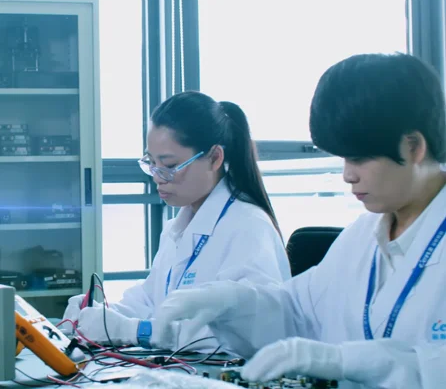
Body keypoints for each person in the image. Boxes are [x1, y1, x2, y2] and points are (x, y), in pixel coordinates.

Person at [152, 53, 446, 388]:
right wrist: (231, 304)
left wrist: (346, 360)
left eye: (359, 158)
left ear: (413, 146)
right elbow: (296, 311)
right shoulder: (362, 236)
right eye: (343, 159)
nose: (348, 175)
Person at [62, 91, 291, 351]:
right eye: (151, 162)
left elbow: (249, 335)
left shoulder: (249, 227)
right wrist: (99, 314)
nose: (157, 177)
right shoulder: (177, 229)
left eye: (169, 165)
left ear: (215, 158)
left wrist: (137, 331)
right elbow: (150, 300)